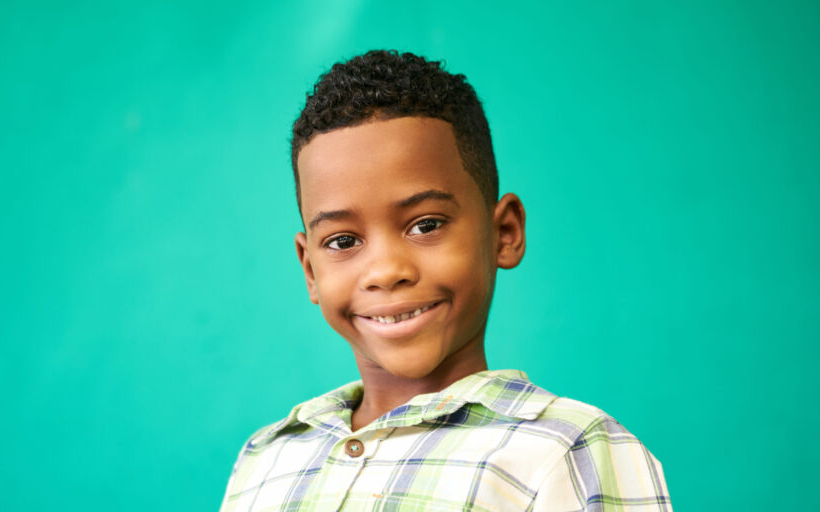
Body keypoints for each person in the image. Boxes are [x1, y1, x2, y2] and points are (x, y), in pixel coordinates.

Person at [218, 50, 671, 511]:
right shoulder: (267, 459)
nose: (386, 271)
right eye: (343, 240)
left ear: (504, 233)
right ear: (310, 270)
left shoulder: (567, 451)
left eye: (426, 225)